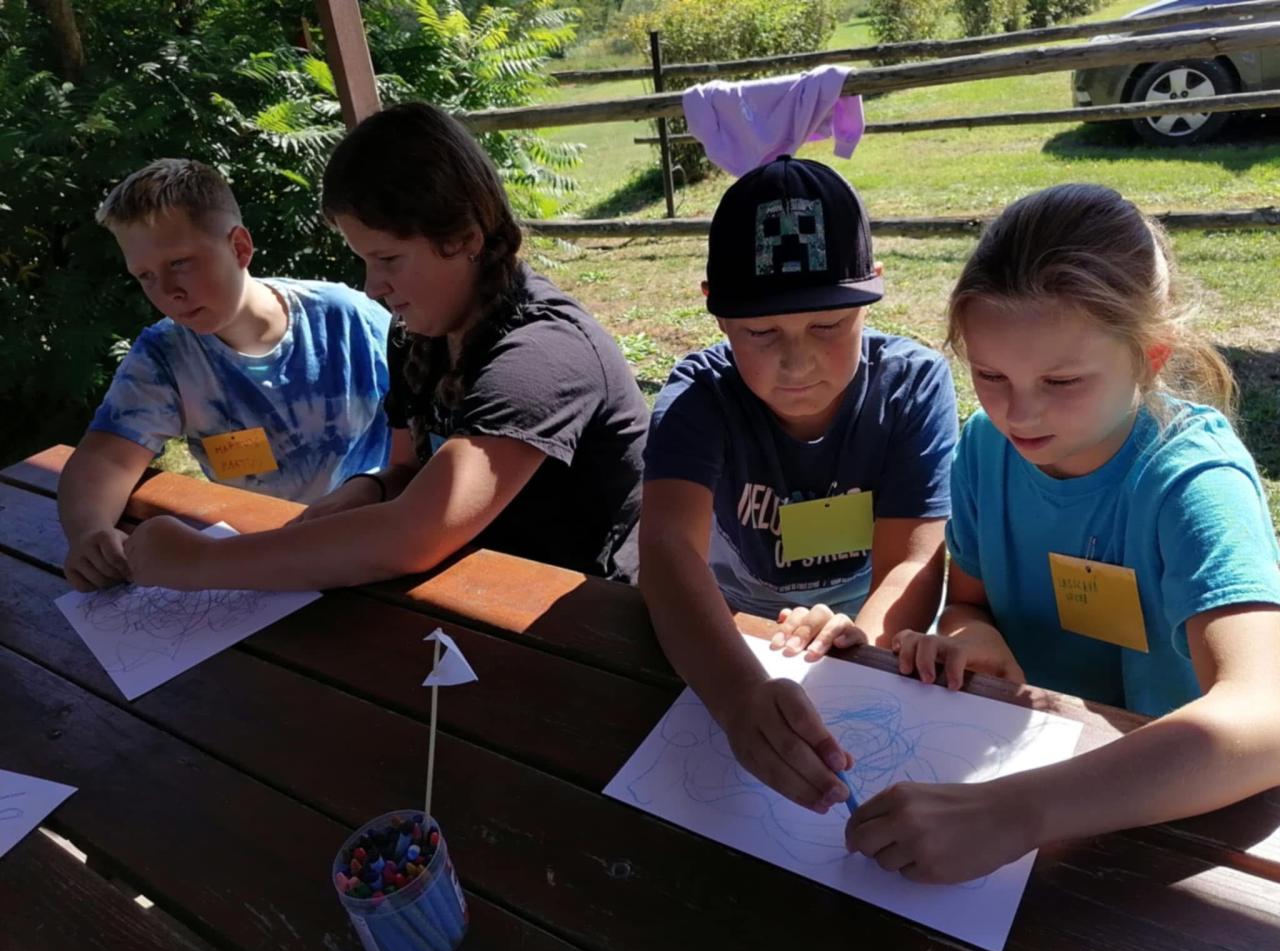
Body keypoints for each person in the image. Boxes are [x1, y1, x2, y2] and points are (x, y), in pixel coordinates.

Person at [847, 183, 1280, 883]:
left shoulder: (1193, 482)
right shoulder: (986, 450)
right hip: (1018, 781)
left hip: (1171, 821)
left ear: (1151, 355)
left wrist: (1017, 814)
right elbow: (970, 602)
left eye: (1063, 381)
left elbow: (1266, 714)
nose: (1019, 413)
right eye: (989, 374)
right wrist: (972, 637)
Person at [122, 102, 648, 591]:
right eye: (364, 260)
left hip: (581, 611)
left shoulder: (543, 354)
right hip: (480, 586)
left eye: (388, 259)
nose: (372, 287)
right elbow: (407, 469)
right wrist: (369, 488)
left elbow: (415, 534)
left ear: (464, 238)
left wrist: (202, 562)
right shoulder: (419, 334)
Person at [639, 156, 959, 818]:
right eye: (761, 333)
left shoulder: (911, 388)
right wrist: (737, 694)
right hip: (735, 628)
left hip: (864, 626)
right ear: (717, 313)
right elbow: (668, 550)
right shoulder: (700, 397)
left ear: (871, 298)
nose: (796, 361)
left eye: (828, 326)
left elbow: (913, 562)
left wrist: (858, 649)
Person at [58, 158, 391, 591]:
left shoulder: (349, 320)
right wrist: (89, 531)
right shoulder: (166, 356)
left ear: (239, 248)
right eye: (145, 276)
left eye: (180, 262)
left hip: (376, 545)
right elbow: (105, 458)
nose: (168, 292)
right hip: (258, 564)